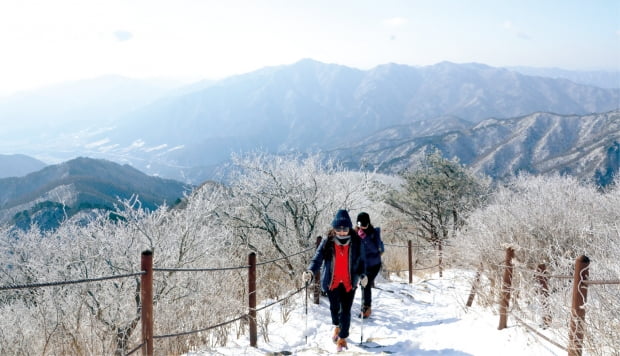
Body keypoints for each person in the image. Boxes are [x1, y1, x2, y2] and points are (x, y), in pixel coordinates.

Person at [303, 209, 367, 352]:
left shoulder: (356, 242)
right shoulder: (328, 242)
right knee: (334, 309)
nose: (342, 231)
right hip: (332, 282)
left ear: (349, 228)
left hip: (349, 282)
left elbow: (362, 261)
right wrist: (310, 271)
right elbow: (317, 258)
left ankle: (343, 338)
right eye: (338, 228)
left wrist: (363, 275)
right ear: (334, 228)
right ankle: (337, 327)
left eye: (345, 228)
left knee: (345, 311)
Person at [355, 212, 384, 319]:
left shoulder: (374, 233)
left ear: (368, 224)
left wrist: (365, 238)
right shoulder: (355, 233)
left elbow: (376, 249)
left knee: (365, 284)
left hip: (374, 264)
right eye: (360, 225)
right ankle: (365, 306)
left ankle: (366, 308)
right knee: (363, 284)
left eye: (364, 225)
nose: (362, 227)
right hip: (363, 265)